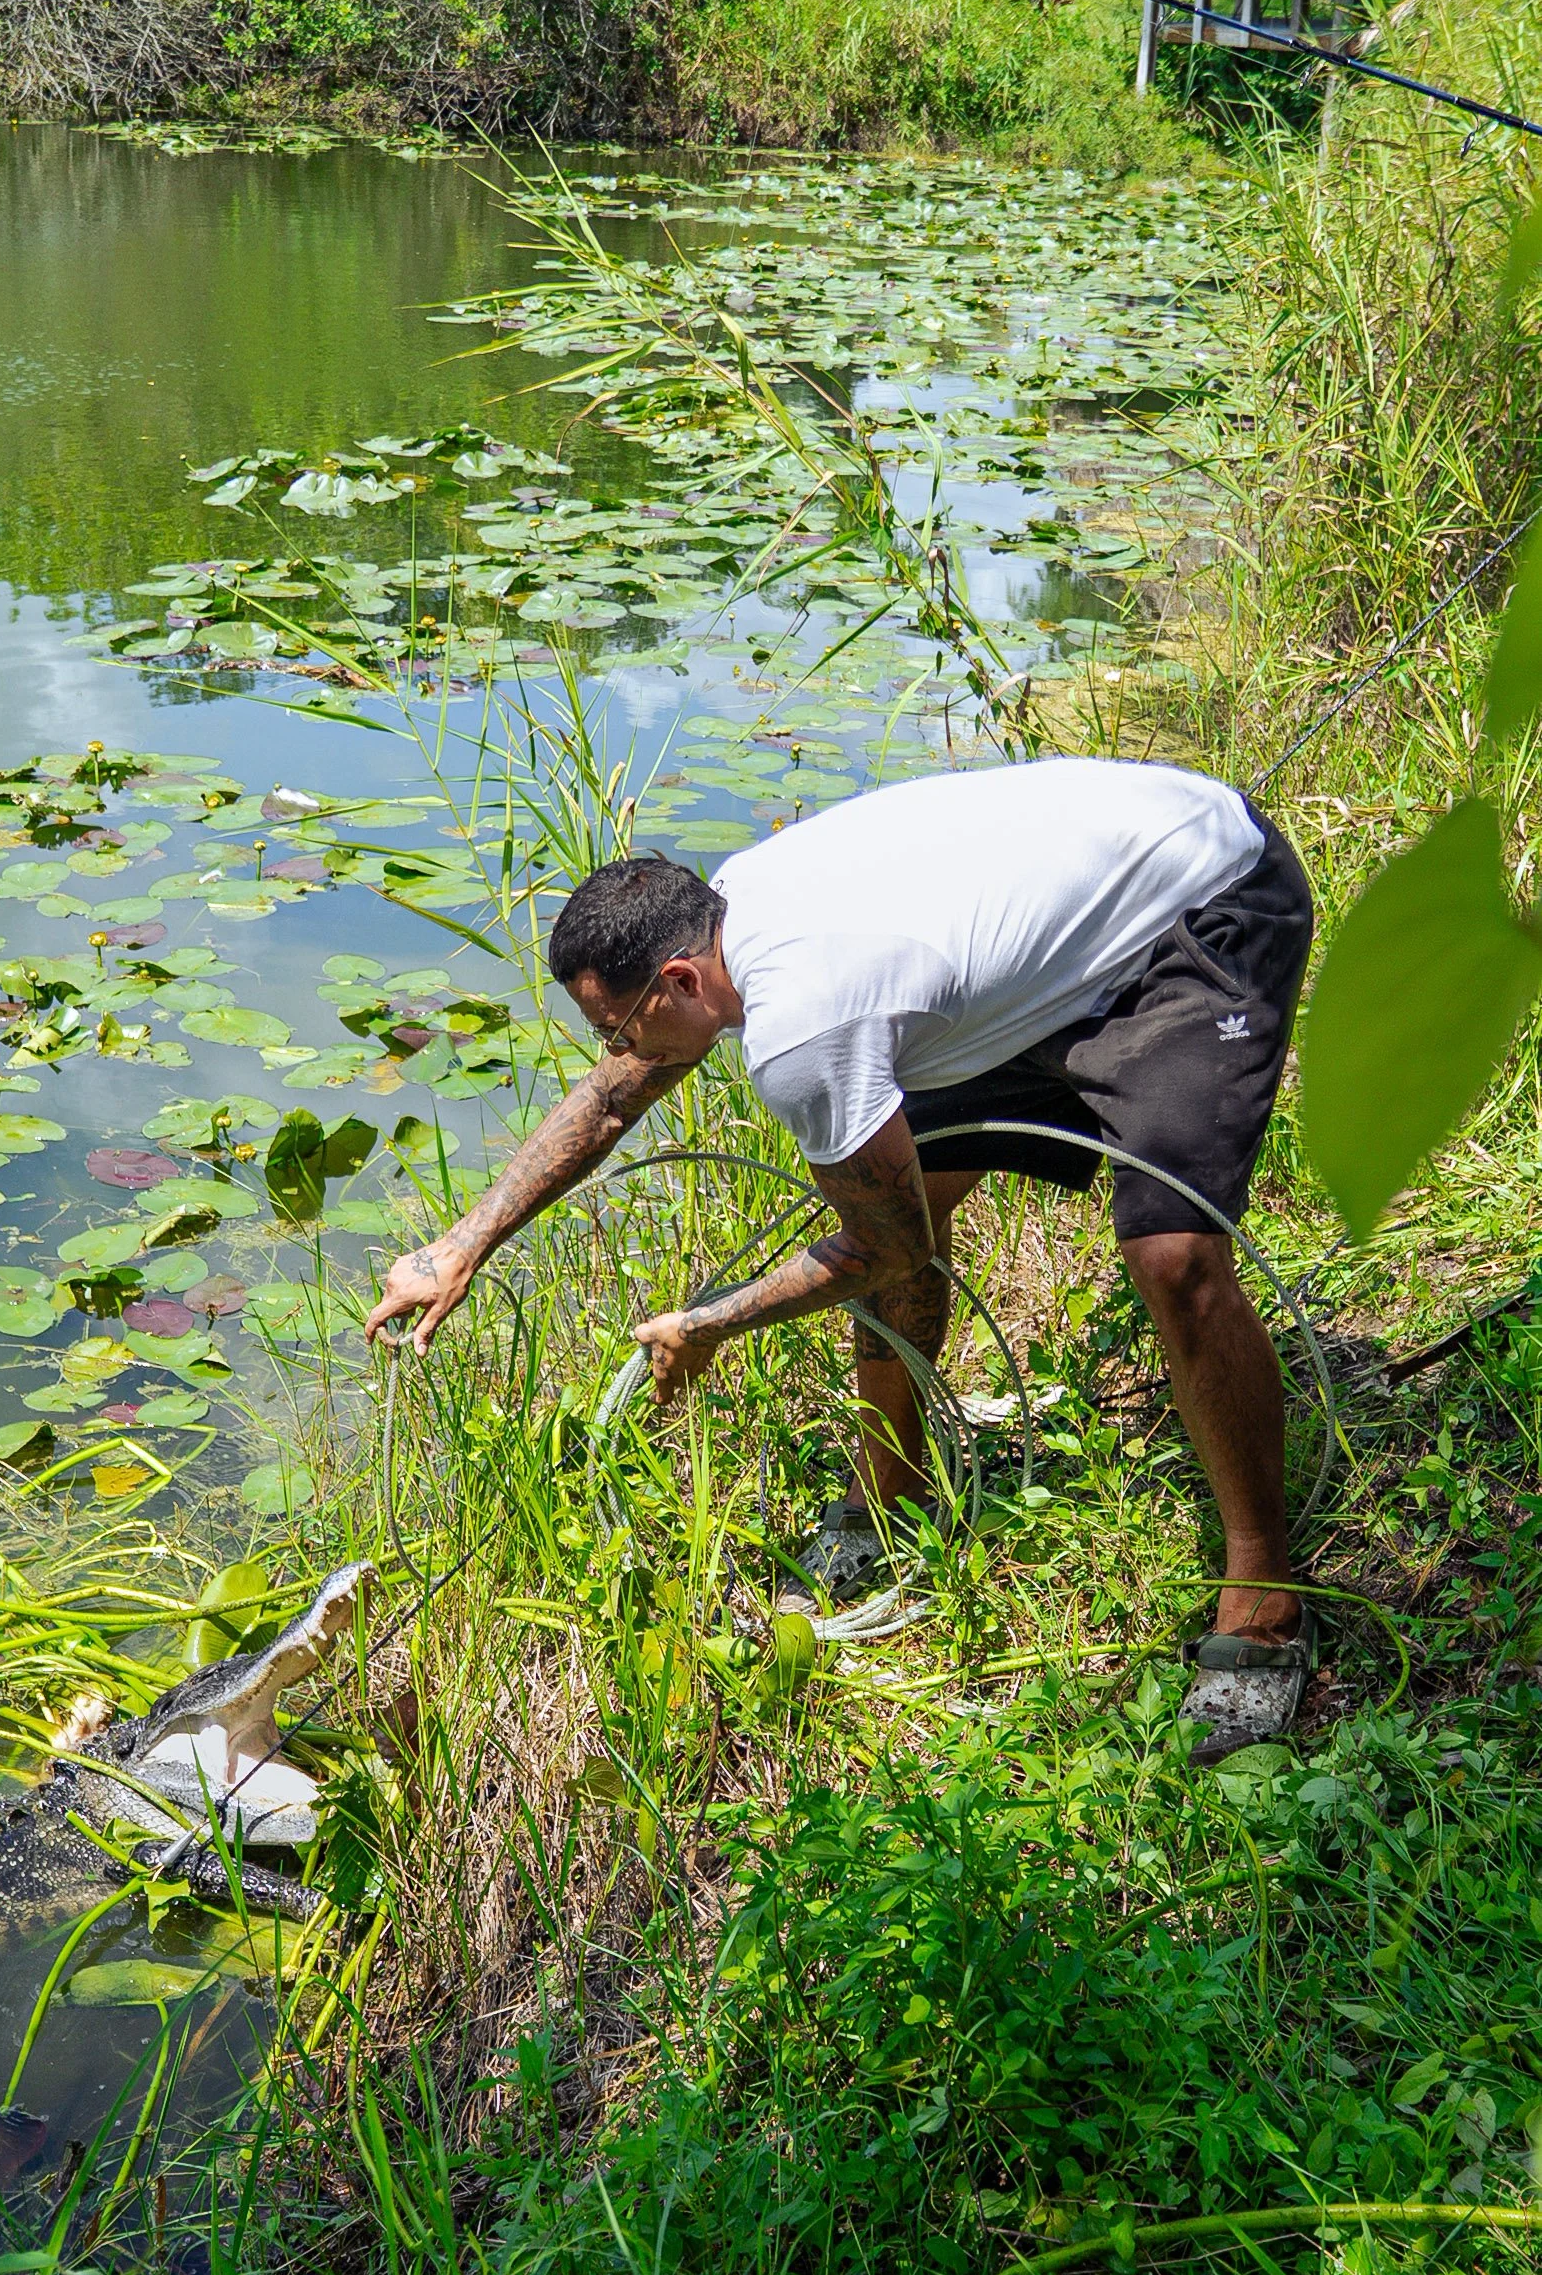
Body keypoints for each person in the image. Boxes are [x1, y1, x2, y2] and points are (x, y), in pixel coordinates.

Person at [364, 756, 1318, 1765]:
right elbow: (609, 1103)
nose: (618, 1053)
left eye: (617, 1027)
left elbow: (881, 1250)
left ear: (680, 979)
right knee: (910, 1186)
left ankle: (1264, 1601)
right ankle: (888, 1489)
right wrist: (459, 1246)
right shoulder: (721, 924)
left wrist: (708, 1326)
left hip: (1193, 902)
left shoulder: (802, 1025)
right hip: (1047, 944)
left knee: (1172, 1256)